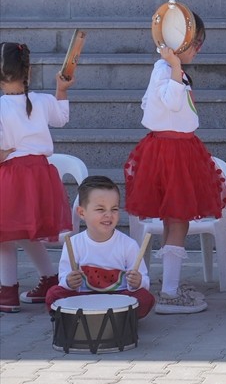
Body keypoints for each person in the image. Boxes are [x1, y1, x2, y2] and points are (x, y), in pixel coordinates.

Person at [124, 13, 226, 314]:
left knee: (177, 220)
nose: (198, 48)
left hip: (177, 149)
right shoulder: (165, 70)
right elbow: (170, 103)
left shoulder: (170, 71)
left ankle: (170, 286)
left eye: (199, 42)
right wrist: (173, 66)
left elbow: (152, 104)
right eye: (194, 42)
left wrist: (175, 70)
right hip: (172, 152)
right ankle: (169, 293)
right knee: (178, 220)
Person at [0, 42, 73, 311]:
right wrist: (62, 89)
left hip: (11, 178)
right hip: (40, 176)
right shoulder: (41, 101)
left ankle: (7, 291)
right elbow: (62, 118)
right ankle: (50, 279)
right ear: (28, 73)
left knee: (5, 237)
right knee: (26, 233)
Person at [45, 176, 155, 318]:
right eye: (100, 209)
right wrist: (69, 282)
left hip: (119, 297)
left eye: (114, 209)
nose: (108, 215)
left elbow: (144, 280)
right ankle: (105, 320)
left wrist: (138, 282)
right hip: (83, 298)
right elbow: (64, 277)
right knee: (53, 294)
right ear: (81, 213)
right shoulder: (73, 244)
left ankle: (115, 320)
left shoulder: (129, 245)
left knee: (145, 298)